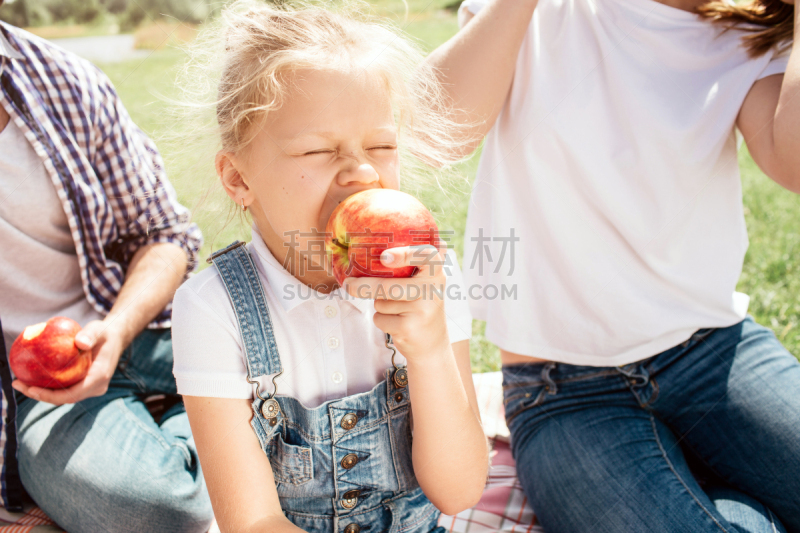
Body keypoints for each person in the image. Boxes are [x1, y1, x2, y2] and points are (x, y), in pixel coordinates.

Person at [427, 0, 800, 531]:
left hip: (714, 353)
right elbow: (436, 134)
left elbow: (794, 163)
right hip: (560, 389)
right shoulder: (549, 12)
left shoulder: (748, 28)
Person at [170, 2, 489, 532]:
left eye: (382, 145)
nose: (362, 171)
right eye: (317, 150)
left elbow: (458, 491)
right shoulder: (212, 307)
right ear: (238, 179)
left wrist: (430, 352)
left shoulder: (427, 277)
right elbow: (254, 523)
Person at [0, 14, 213, 533]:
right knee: (157, 513)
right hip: (39, 387)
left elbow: (166, 235)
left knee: (322, 388)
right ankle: (197, 430)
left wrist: (115, 332)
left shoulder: (66, 81)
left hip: (144, 331)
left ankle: (173, 422)